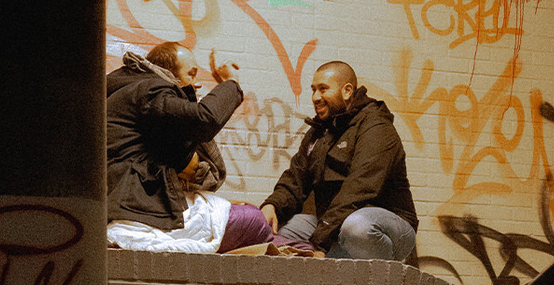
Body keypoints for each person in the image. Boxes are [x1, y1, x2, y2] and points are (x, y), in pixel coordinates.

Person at [260, 60, 418, 261]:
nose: (316, 97)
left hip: (388, 229)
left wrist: (320, 242)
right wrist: (272, 205)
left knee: (358, 227)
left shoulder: (376, 127)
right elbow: (296, 179)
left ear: (347, 91)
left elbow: (358, 189)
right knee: (283, 230)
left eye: (323, 89)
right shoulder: (319, 133)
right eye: (313, 90)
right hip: (338, 226)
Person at [106, 42, 243, 232]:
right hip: (133, 204)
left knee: (233, 211)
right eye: (191, 74)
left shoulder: (133, 90)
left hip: (125, 200)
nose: (197, 84)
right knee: (251, 220)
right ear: (169, 73)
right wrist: (231, 83)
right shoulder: (151, 91)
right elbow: (204, 119)